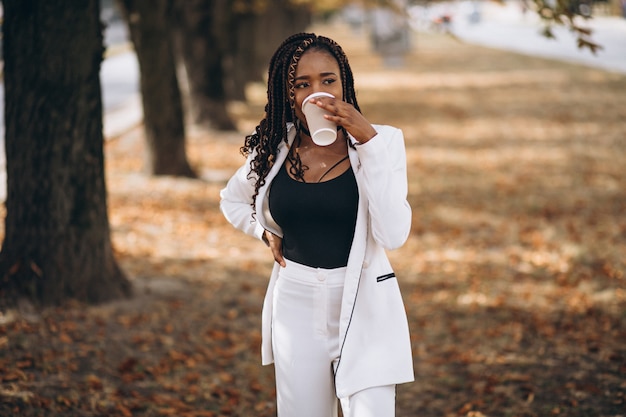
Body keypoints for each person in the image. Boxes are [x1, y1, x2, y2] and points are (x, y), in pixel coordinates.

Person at [220, 32, 414, 417]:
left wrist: (368, 143)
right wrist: (263, 231)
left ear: (344, 84)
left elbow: (393, 234)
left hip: (365, 304)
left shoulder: (383, 143)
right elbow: (232, 200)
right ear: (286, 93)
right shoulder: (273, 148)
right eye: (302, 84)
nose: (317, 92)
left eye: (328, 80)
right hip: (295, 303)